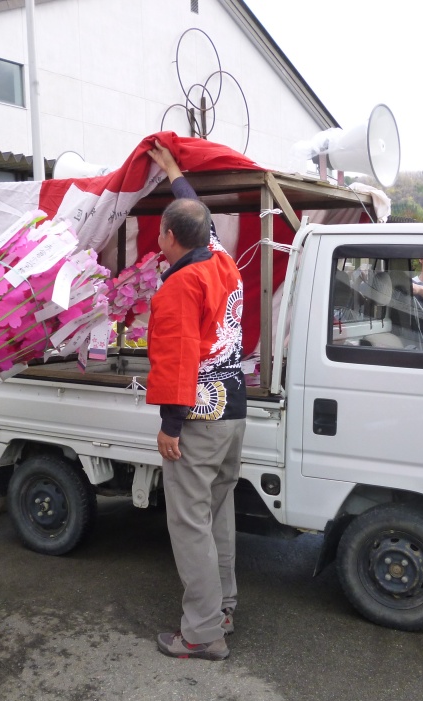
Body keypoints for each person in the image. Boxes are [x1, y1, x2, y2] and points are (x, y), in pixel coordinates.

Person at [145, 140, 246, 661]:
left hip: (199, 413)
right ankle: (222, 604)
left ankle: (203, 633)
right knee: (217, 511)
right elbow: (201, 224)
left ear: (166, 238)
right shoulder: (225, 264)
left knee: (188, 522)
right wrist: (175, 175)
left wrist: (170, 425)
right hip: (234, 409)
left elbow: (179, 357)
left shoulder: (179, 286)